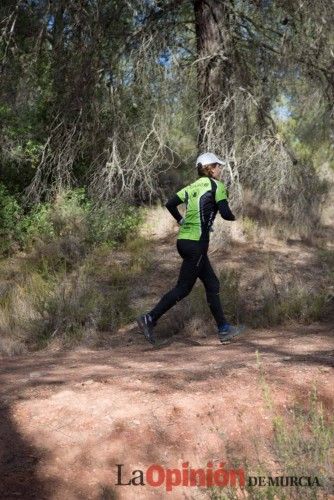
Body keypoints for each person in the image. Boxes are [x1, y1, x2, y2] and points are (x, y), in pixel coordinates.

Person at [137, 152, 245, 345]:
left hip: (185, 242)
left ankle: (224, 329)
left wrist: (181, 220)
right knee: (183, 288)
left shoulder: (192, 187)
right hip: (196, 245)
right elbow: (227, 214)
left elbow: (170, 204)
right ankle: (150, 318)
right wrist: (238, 215)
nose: (220, 169)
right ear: (210, 168)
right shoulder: (216, 186)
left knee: (212, 284)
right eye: (218, 166)